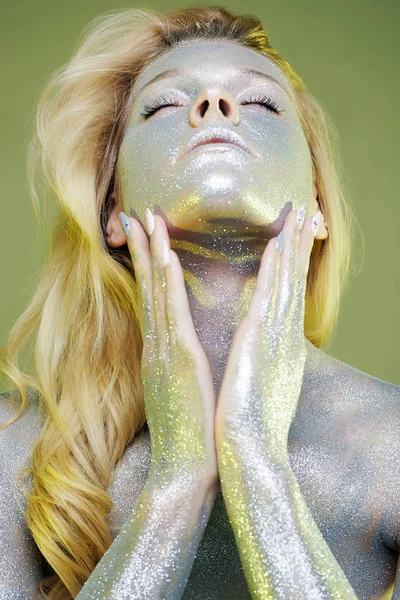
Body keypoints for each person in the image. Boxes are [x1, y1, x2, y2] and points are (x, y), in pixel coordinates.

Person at [0, 5, 399, 600]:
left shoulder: (389, 445)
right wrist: (180, 477)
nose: (215, 108)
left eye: (262, 103)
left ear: (317, 203)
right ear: (113, 210)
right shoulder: (12, 448)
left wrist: (255, 458)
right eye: (163, 106)